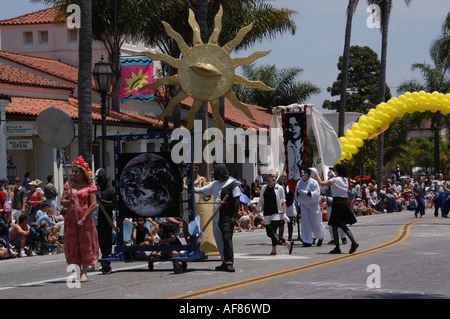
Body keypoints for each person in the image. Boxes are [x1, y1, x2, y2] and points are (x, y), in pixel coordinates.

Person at [194, 164, 241, 272]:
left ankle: (229, 262)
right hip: (216, 218)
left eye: (215, 173)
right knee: (219, 240)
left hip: (227, 218)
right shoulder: (214, 184)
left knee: (227, 239)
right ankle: (224, 261)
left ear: (219, 175)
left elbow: (237, 201)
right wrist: (186, 188)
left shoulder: (232, 184)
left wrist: (234, 217)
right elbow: (200, 190)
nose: (213, 176)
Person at [60, 156, 99, 283]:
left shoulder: (90, 186)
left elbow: (93, 204)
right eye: (73, 171)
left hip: (85, 221)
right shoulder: (69, 185)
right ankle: (76, 270)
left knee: (85, 244)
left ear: (82, 173)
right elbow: (62, 201)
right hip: (71, 220)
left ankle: (84, 272)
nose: (74, 173)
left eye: (76, 171)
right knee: (73, 245)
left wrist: (82, 219)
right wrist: (68, 201)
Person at [315, 164, 359, 254]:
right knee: (342, 225)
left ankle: (338, 248)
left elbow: (321, 183)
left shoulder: (335, 180)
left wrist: (316, 173)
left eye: (335, 170)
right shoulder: (346, 180)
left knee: (334, 225)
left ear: (337, 171)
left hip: (337, 202)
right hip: (344, 202)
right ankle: (353, 242)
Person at [257, 170, 293, 255]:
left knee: (273, 231)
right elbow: (261, 200)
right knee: (270, 233)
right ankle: (287, 243)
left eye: (276, 177)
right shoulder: (264, 188)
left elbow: (283, 201)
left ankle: (274, 250)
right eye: (272, 176)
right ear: (268, 177)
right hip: (267, 212)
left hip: (277, 212)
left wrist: (284, 214)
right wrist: (260, 209)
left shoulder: (279, 188)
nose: (274, 178)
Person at [295, 168, 326, 247]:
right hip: (304, 205)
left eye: (304, 172)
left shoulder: (313, 182)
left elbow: (317, 193)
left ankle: (320, 236)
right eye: (301, 173)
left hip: (313, 205)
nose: (302, 174)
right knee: (305, 223)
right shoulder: (299, 183)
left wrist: (307, 193)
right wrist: (298, 195)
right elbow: (296, 192)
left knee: (315, 221)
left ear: (308, 174)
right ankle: (307, 240)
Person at [95, 168, 115, 265]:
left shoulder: (111, 190)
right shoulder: (97, 190)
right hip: (97, 219)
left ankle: (107, 259)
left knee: (107, 240)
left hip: (107, 219)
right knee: (101, 240)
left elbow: (114, 203)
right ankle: (103, 256)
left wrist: (102, 201)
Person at [323, 169, 347, 245]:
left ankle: (343, 237)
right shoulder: (328, 182)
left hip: (336, 203)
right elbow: (323, 190)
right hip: (329, 204)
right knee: (331, 222)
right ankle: (333, 238)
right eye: (328, 173)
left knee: (340, 222)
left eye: (331, 173)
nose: (329, 175)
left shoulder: (337, 181)